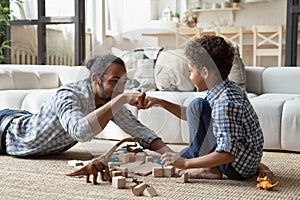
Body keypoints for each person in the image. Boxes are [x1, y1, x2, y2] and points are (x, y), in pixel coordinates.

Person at [141, 35, 272, 180]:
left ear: (205, 72)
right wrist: (161, 102)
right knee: (196, 107)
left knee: (172, 161)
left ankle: (210, 169)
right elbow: (192, 116)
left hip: (234, 166)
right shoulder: (225, 88)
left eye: (191, 71)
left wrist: (186, 163)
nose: (190, 76)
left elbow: (227, 153)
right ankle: (206, 162)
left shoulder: (225, 103)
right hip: (244, 157)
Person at [0, 55, 173, 156]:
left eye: (123, 82)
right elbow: (80, 131)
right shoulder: (69, 95)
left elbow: (141, 132)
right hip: (8, 131)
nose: (120, 88)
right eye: (114, 81)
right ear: (96, 79)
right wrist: (120, 99)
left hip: (23, 118)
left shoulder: (110, 101)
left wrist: (176, 157)